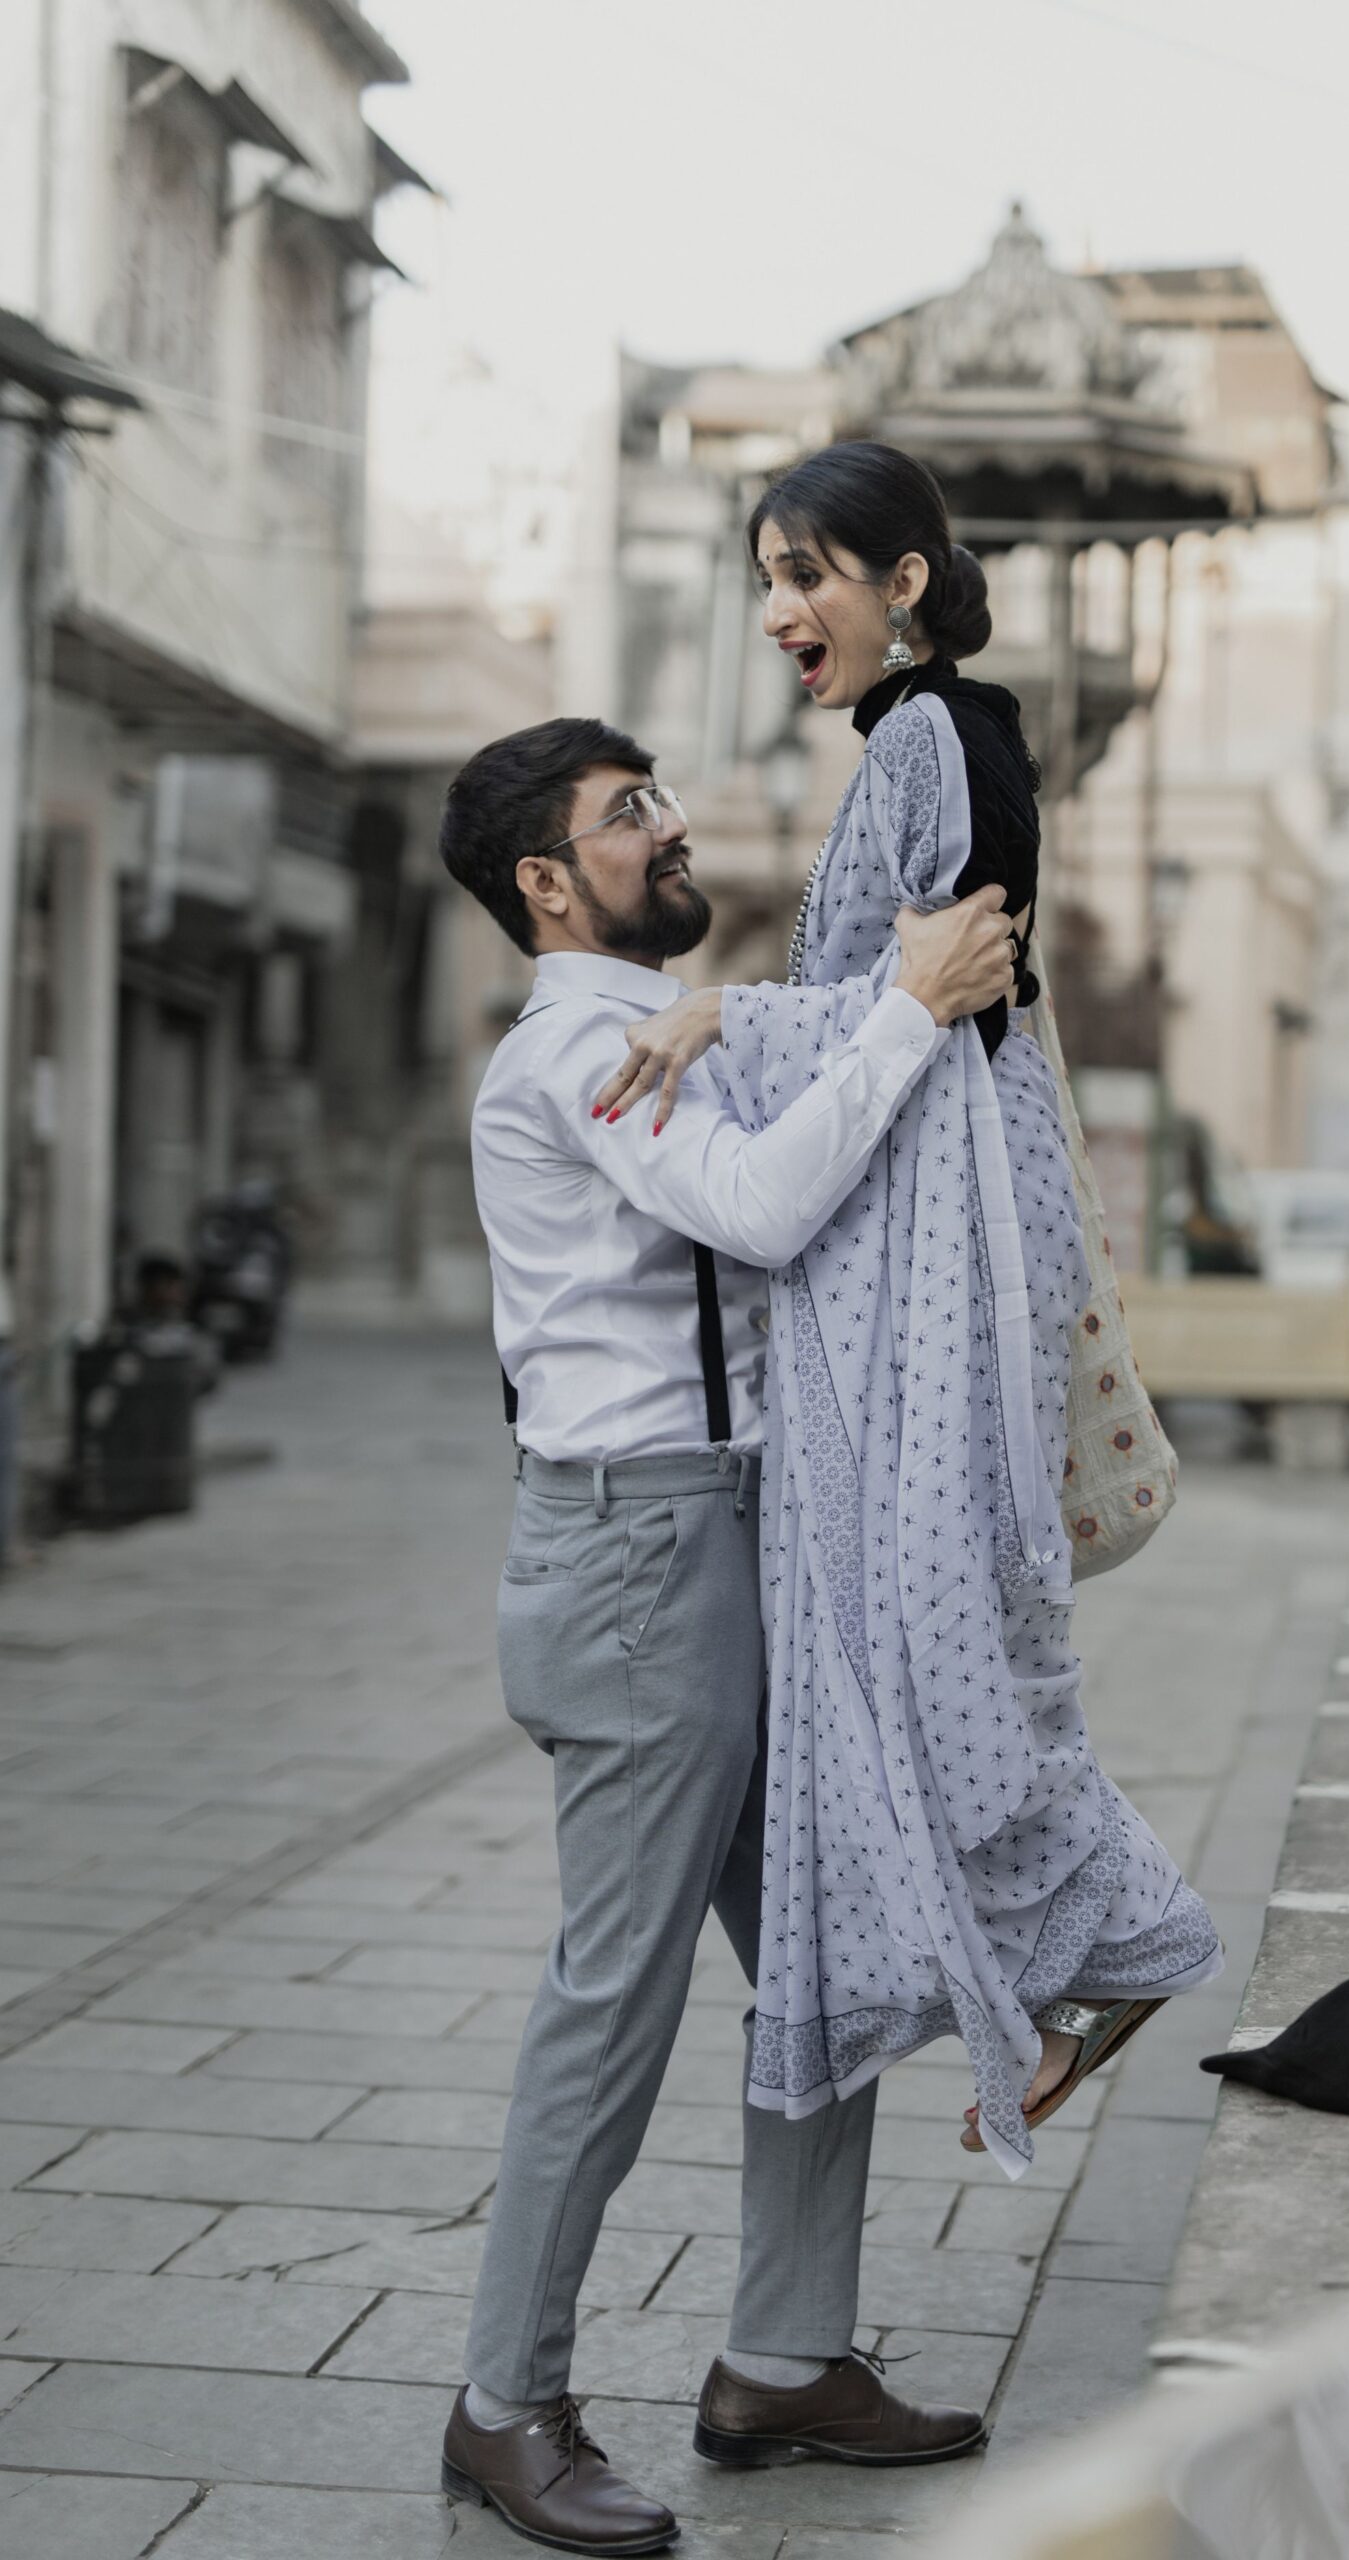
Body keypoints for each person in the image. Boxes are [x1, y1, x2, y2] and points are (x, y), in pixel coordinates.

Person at [592, 442, 1224, 2183]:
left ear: (906, 582)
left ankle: (1110, 1931)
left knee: (928, 1621)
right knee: (922, 1623)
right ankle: (1068, 1953)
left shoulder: (935, 735)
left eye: (808, 575)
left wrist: (727, 1011)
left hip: (945, 1255)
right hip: (938, 1241)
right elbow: (919, 993)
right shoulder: (935, 737)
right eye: (767, 580)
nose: (780, 613)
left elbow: (943, 990)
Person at [436, 715, 1016, 2553]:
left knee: (830, 1964)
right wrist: (908, 1009)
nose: (671, 828)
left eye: (660, 798)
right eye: (630, 816)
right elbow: (760, 1207)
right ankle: (503, 2404)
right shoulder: (574, 1056)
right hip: (638, 1563)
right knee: (613, 2002)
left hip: (743, 1535)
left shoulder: (669, 1023)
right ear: (547, 881)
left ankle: (782, 2360)